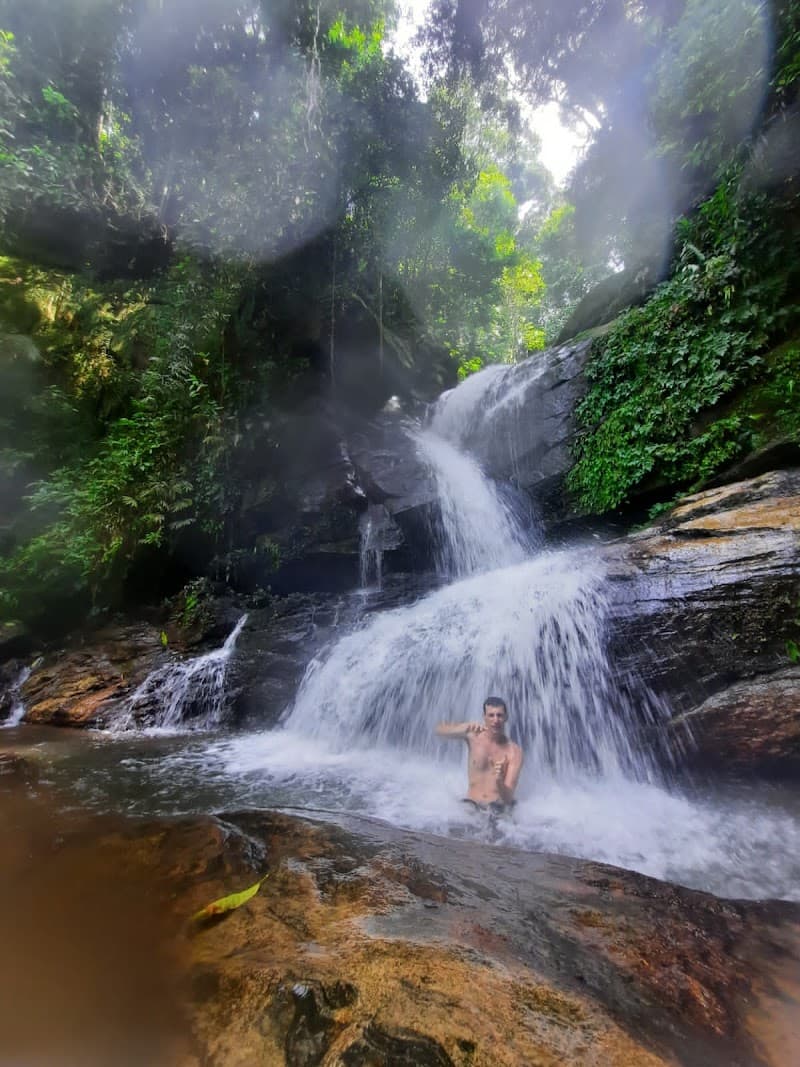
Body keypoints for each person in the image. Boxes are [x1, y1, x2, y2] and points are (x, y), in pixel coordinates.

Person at [435, 697, 523, 814]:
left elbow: (508, 798)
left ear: (506, 717)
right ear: (484, 717)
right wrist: (465, 726)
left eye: (499, 715)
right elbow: (439, 730)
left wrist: (499, 780)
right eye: (491, 715)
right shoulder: (473, 735)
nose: (495, 720)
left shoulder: (514, 752)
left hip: (497, 809)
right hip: (471, 804)